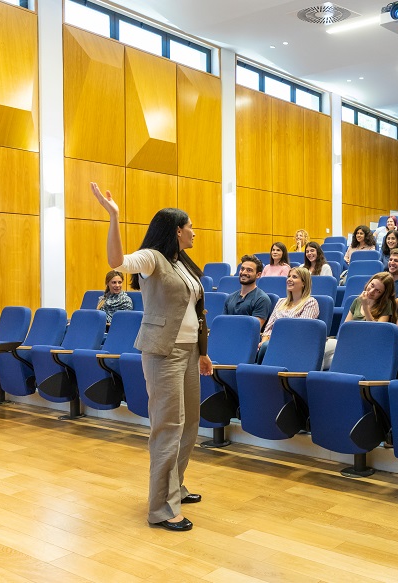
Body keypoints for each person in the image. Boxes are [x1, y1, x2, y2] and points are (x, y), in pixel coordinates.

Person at [90, 182, 212, 533]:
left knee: (189, 424)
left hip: (190, 351)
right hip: (163, 352)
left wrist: (203, 353)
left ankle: (176, 487)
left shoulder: (182, 263)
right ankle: (160, 507)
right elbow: (117, 261)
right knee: (168, 427)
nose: (194, 232)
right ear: (176, 230)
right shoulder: (152, 259)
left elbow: (195, 312)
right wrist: (114, 216)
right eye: (190, 227)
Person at [258, 267, 320, 363]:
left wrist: (271, 342)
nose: (289, 279)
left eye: (294, 277)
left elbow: (300, 331)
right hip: (274, 342)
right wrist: (263, 341)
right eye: (289, 276)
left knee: (266, 347)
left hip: (295, 345)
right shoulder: (281, 301)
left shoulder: (310, 302)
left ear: (304, 283)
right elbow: (269, 328)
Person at [223, 255, 272, 328]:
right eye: (242, 269)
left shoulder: (262, 299)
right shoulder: (230, 298)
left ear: (258, 275)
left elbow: (254, 328)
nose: (244, 272)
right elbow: (223, 323)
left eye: (249, 270)